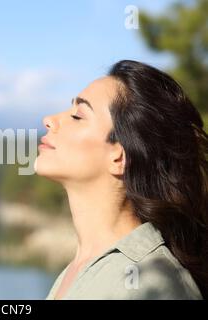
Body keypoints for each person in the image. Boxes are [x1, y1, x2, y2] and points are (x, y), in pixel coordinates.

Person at [35, 60, 207, 300]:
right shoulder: (80, 268)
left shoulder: (154, 283)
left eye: (77, 116)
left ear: (119, 157)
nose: (49, 120)